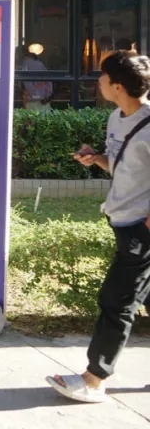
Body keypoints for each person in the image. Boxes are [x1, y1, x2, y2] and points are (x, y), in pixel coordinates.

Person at [50, 51, 150, 403]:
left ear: (118, 85)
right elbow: (122, 168)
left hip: (141, 231)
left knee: (116, 301)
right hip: (122, 222)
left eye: (102, 77)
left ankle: (94, 378)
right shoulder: (115, 118)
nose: (98, 82)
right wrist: (96, 159)